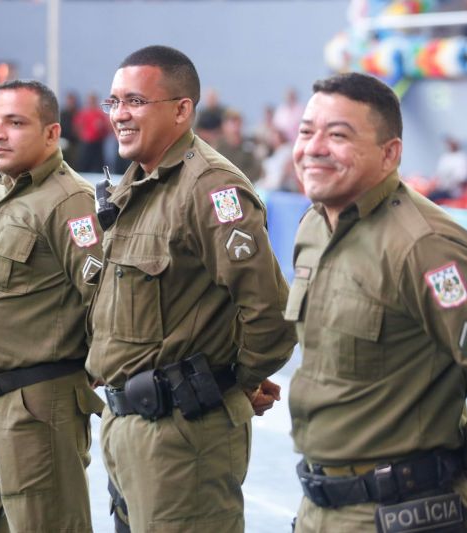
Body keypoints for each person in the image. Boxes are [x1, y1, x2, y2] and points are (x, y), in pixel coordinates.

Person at [287, 72, 467, 533]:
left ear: (390, 153)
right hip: (319, 509)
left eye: (337, 134)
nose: (314, 147)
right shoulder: (314, 228)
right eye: (306, 131)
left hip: (402, 512)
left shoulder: (426, 245)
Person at [86, 45, 296, 532]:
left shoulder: (210, 189)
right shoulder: (136, 186)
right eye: (113, 102)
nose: (119, 114)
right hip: (126, 430)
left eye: (135, 101)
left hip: (183, 438)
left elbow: (270, 315)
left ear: (182, 110)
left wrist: (228, 383)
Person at [0, 79, 105, 532]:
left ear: (52, 134)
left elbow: (102, 297)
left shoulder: (68, 200)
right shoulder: (2, 193)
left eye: (15, 123)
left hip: (37, 406)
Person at [214, 108, 261, 182]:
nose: (236, 128)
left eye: (239, 124)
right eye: (233, 124)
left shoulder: (248, 146)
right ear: (224, 126)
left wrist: (240, 179)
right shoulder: (217, 147)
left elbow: (256, 169)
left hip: (245, 185)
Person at [428, 134, 467, 202]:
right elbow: (438, 174)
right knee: (428, 197)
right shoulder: (445, 157)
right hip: (441, 187)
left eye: (452, 143)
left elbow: (463, 176)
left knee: (435, 198)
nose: (450, 145)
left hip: (453, 191)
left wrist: (451, 182)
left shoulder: (462, 158)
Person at [73, 91, 109, 173]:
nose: (91, 101)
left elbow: (107, 128)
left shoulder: (100, 114)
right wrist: (83, 136)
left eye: (93, 99)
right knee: (83, 164)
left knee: (99, 166)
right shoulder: (83, 113)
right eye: (90, 100)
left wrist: (102, 130)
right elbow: (77, 126)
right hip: (86, 143)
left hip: (98, 143)